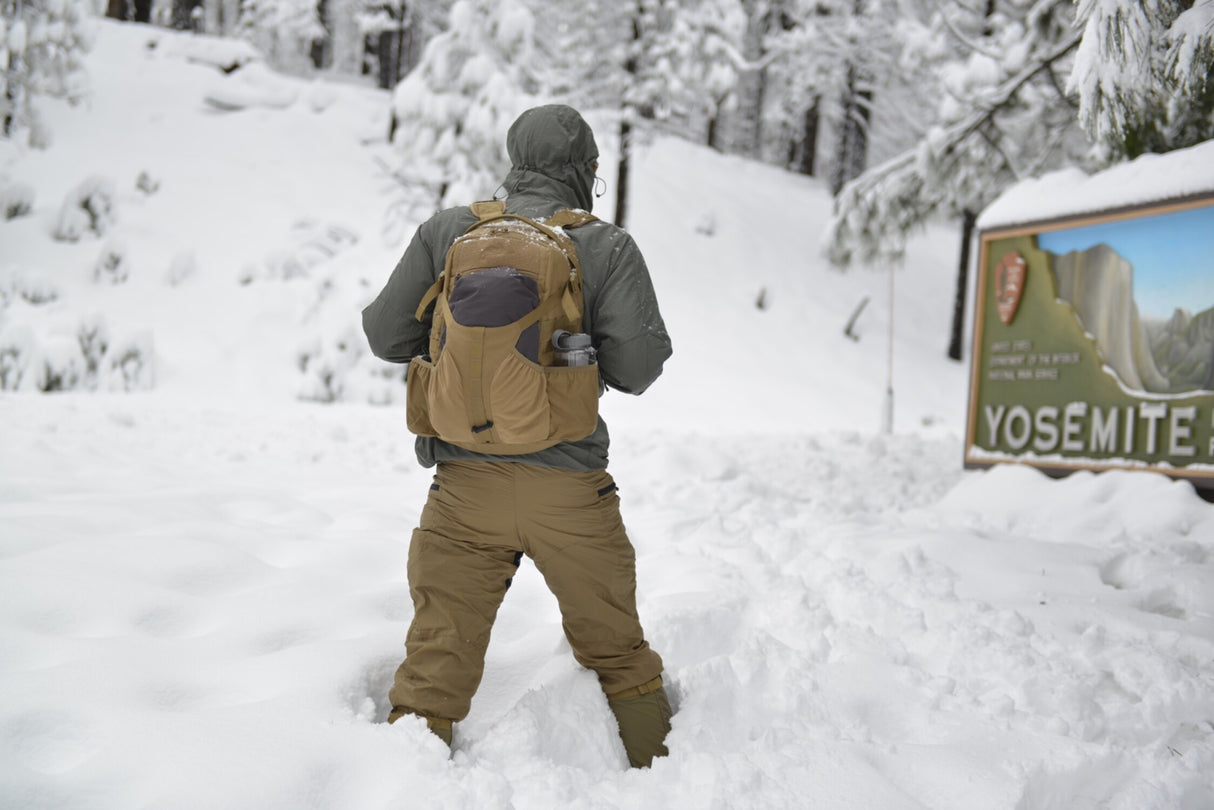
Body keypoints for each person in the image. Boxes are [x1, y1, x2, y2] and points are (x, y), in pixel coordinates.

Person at [362, 104, 674, 768]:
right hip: (568, 492)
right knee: (618, 652)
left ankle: (400, 787)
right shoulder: (606, 245)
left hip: (461, 490)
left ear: (514, 160)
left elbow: (385, 336)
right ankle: (668, 776)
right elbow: (639, 370)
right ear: (587, 171)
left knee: (433, 667)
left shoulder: (451, 230)